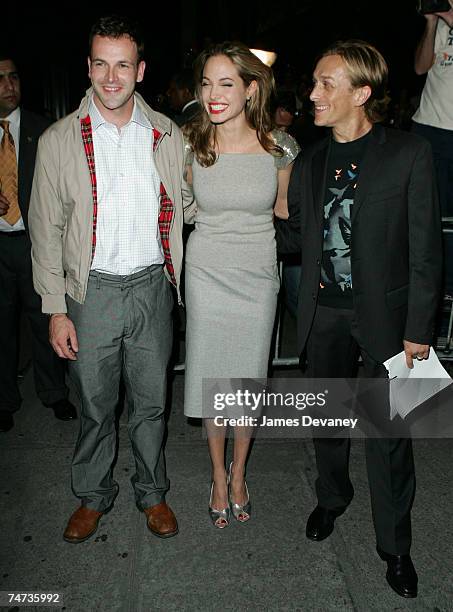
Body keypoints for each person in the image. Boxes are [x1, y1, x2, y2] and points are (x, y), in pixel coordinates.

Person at [276, 40, 441, 598]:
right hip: (322, 315)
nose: (313, 93)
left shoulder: (407, 154)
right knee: (327, 420)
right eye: (315, 83)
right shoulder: (311, 160)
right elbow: (297, 236)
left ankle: (395, 548)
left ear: (361, 93)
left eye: (326, 84)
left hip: (390, 322)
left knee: (389, 435)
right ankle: (331, 498)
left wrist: (420, 329)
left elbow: (425, 252)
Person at [29, 15, 193, 543]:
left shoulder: (168, 134)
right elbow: (45, 227)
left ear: (141, 70)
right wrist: (56, 308)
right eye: (101, 63)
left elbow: (188, 205)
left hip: (151, 287)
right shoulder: (59, 140)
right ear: (90, 67)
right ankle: (93, 496)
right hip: (91, 291)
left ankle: (152, 491)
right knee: (95, 405)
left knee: (151, 402)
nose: (111, 76)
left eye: (123, 64)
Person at [183, 42, 299, 528]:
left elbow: (285, 214)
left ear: (251, 88)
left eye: (226, 83)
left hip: (255, 274)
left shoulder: (281, 147)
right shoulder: (193, 142)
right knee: (214, 378)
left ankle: (239, 474)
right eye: (207, 83)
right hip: (207, 271)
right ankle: (215, 472)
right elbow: (183, 206)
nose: (213, 93)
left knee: (246, 381)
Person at [0, 53, 76, 433]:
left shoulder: (43, 130)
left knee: (45, 318)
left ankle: (53, 392)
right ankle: (3, 400)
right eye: (0, 79)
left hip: (34, 244)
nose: (8, 85)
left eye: (14, 76)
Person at [412, 1, 453, 293]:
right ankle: (432, 292)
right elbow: (419, 67)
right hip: (431, 128)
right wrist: (431, 23)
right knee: (430, 216)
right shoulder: (439, 24)